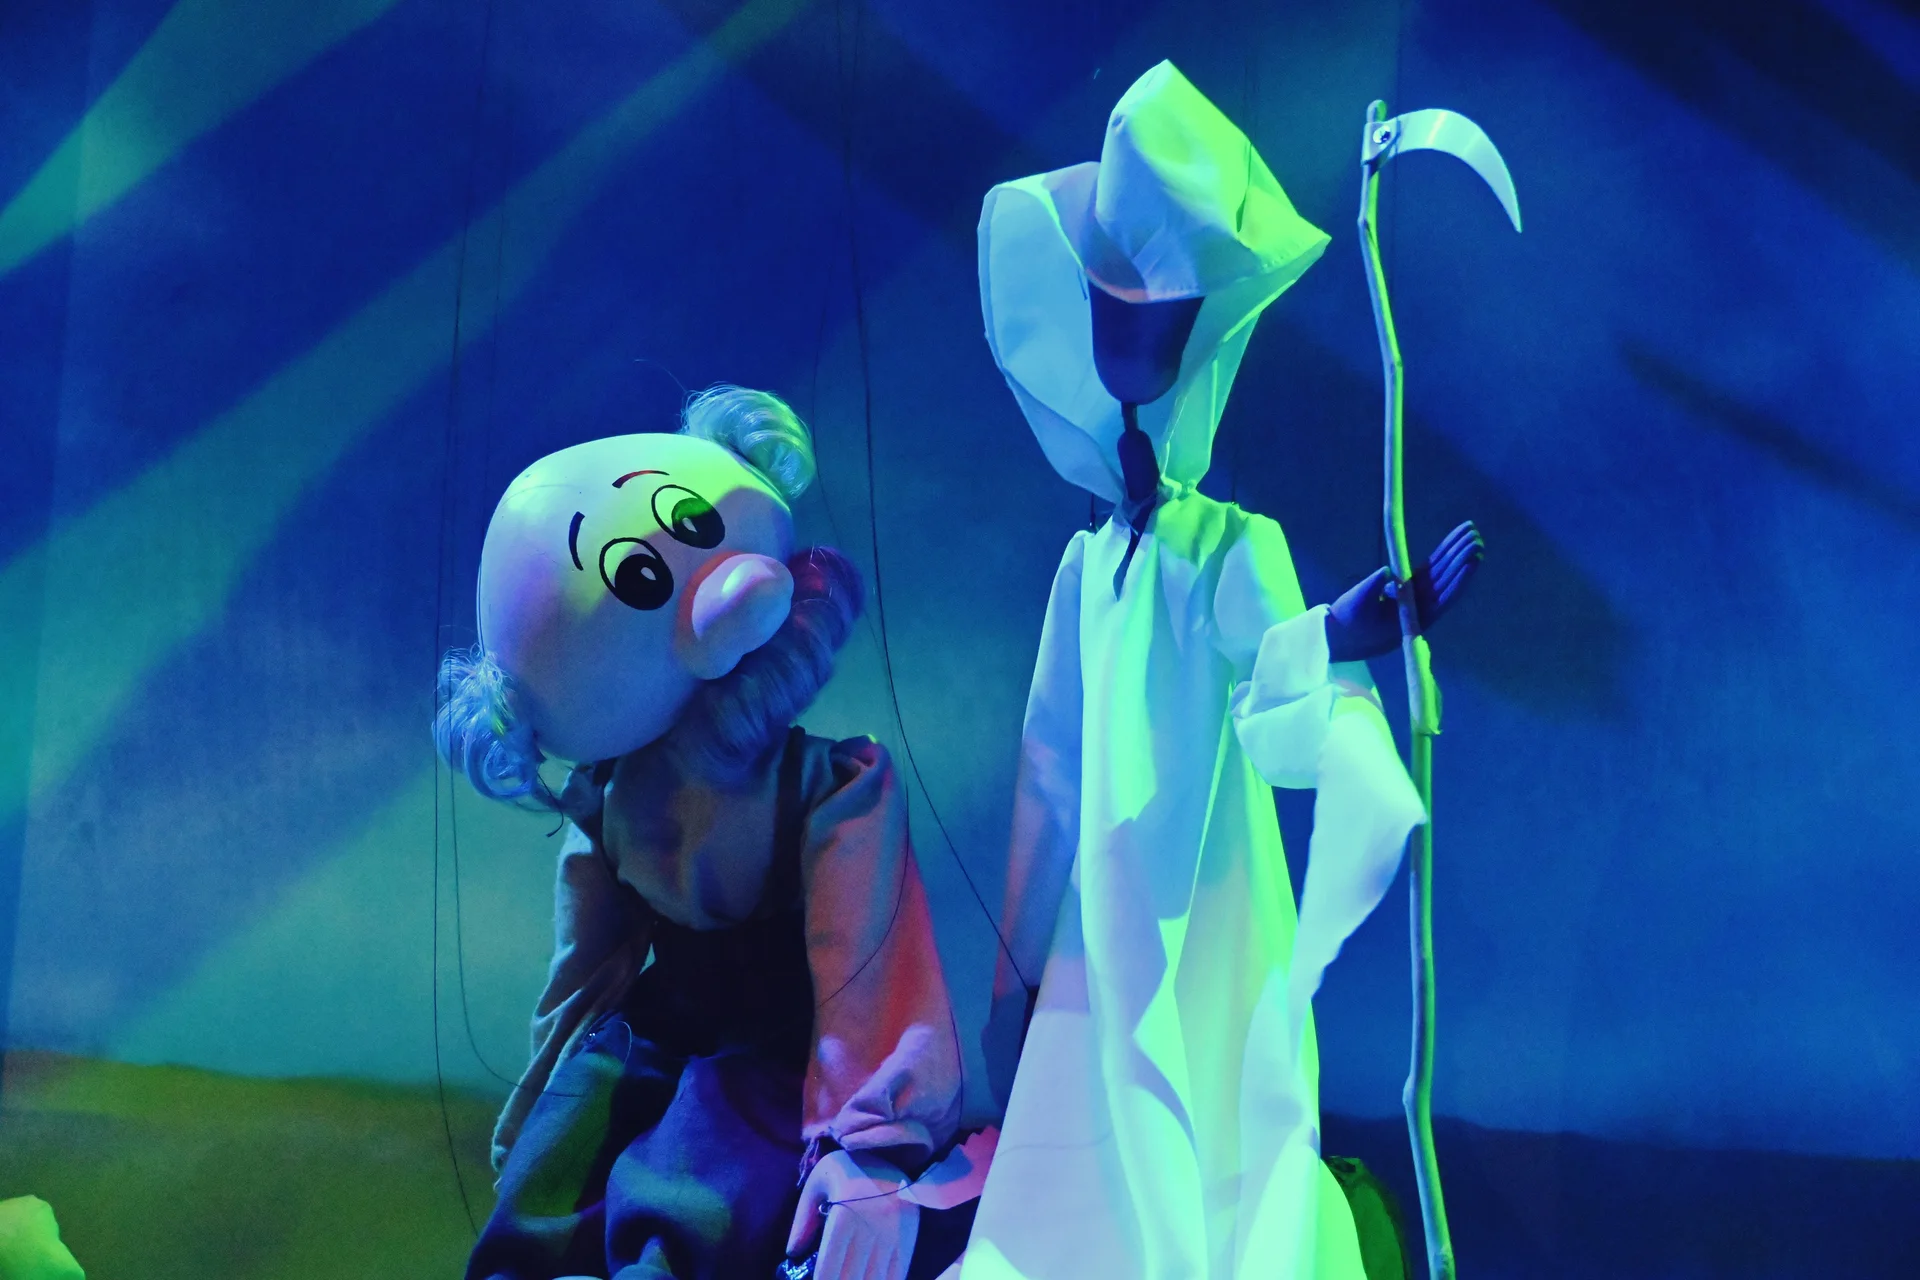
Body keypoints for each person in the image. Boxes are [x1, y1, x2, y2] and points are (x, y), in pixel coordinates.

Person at [964, 63, 1482, 1279]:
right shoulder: (1089, 562)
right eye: (1113, 312)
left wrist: (1348, 629)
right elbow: (1050, 761)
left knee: (1210, 1090)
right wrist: (1020, 959)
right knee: (1103, 1111)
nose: (1130, 337)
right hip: (1106, 901)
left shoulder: (1230, 544)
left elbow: (1274, 701)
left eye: (1154, 317)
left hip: (1206, 886)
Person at [437, 386, 964, 1280]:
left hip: (780, 1054)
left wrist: (867, 1140)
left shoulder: (829, 788)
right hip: (651, 1044)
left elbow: (867, 964)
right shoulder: (606, 803)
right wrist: (539, 1106)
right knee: (556, 1199)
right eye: (642, 578)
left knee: (689, 1202)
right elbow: (584, 970)